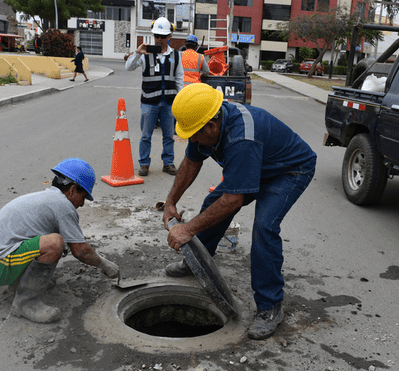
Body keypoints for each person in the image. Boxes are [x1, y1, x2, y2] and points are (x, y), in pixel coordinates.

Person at [162, 83, 317, 340]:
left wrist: (187, 229)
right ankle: (199, 260)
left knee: (264, 228)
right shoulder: (208, 122)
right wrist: (170, 202)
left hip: (288, 171)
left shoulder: (241, 137)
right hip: (257, 164)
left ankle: (270, 307)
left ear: (211, 126)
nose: (193, 140)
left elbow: (233, 201)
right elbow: (191, 161)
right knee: (214, 202)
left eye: (195, 135)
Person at [0, 158, 120, 323]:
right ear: (73, 189)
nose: (82, 203)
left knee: (56, 241)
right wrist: (105, 265)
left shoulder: (48, 199)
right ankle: (25, 303)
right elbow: (80, 251)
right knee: (54, 243)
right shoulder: (62, 205)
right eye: (83, 197)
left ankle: (20, 283)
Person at [125, 17, 184, 177]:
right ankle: (144, 164)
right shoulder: (145, 54)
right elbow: (128, 67)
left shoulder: (176, 56)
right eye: (157, 35)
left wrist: (180, 101)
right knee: (146, 135)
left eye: (163, 36)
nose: (159, 39)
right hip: (149, 103)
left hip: (169, 103)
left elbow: (179, 79)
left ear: (169, 37)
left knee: (169, 135)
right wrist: (138, 53)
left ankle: (168, 163)